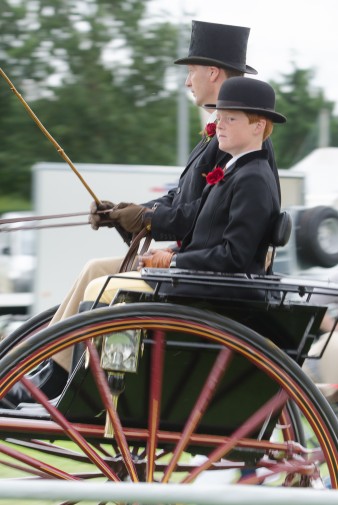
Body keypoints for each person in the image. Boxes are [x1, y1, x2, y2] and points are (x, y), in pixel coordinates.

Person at [0, 21, 279, 407]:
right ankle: (54, 370)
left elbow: (192, 217)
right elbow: (184, 199)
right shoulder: (224, 142)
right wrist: (125, 213)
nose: (188, 82)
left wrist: (149, 224)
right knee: (95, 271)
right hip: (194, 266)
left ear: (212, 72)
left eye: (191, 72)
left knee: (104, 280)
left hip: (202, 279)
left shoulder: (235, 151)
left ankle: (67, 379)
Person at [80, 77, 285, 308]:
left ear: (258, 126)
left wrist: (172, 260)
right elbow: (209, 238)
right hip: (201, 282)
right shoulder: (235, 171)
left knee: (100, 289)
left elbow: (234, 257)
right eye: (219, 117)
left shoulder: (253, 178)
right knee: (100, 285)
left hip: (214, 291)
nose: (220, 125)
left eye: (231, 118)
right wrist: (173, 249)